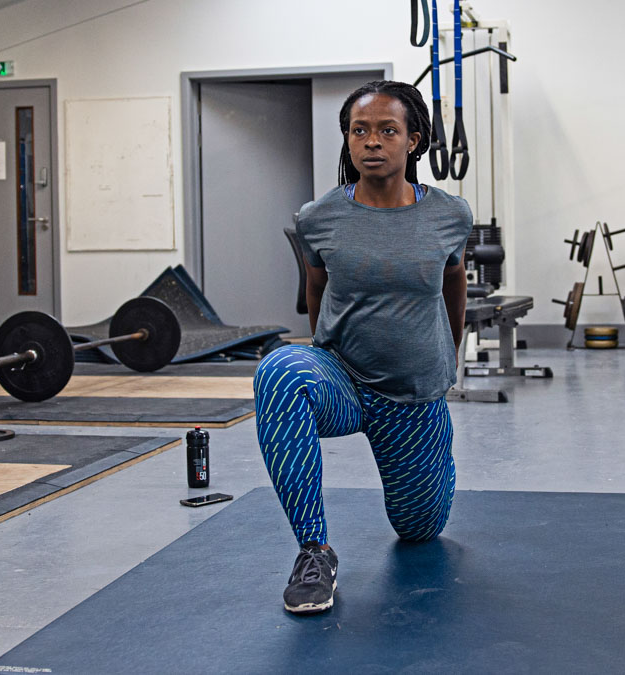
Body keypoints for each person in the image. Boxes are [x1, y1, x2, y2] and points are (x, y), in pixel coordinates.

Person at [253, 80, 471, 614]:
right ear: (348, 142)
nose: (372, 141)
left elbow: (454, 284)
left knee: (420, 530)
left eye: (387, 130)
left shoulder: (449, 214)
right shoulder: (318, 217)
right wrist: (318, 355)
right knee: (280, 369)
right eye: (360, 131)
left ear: (413, 141)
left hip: (413, 398)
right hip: (344, 381)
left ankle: (430, 463)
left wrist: (443, 356)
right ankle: (314, 550)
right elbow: (315, 291)